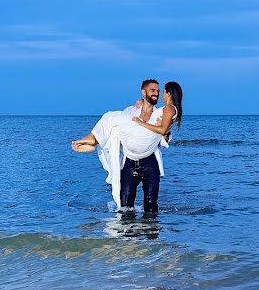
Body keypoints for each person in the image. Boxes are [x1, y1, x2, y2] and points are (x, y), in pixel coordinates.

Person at [72, 81, 183, 213]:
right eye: (153, 90)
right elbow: (119, 131)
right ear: (143, 92)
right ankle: (96, 140)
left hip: (150, 162)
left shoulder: (162, 111)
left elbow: (162, 133)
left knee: (151, 206)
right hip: (130, 162)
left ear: (168, 93)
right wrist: (141, 106)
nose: (157, 93)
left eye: (159, 91)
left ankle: (93, 139)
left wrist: (163, 132)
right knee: (125, 207)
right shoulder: (132, 110)